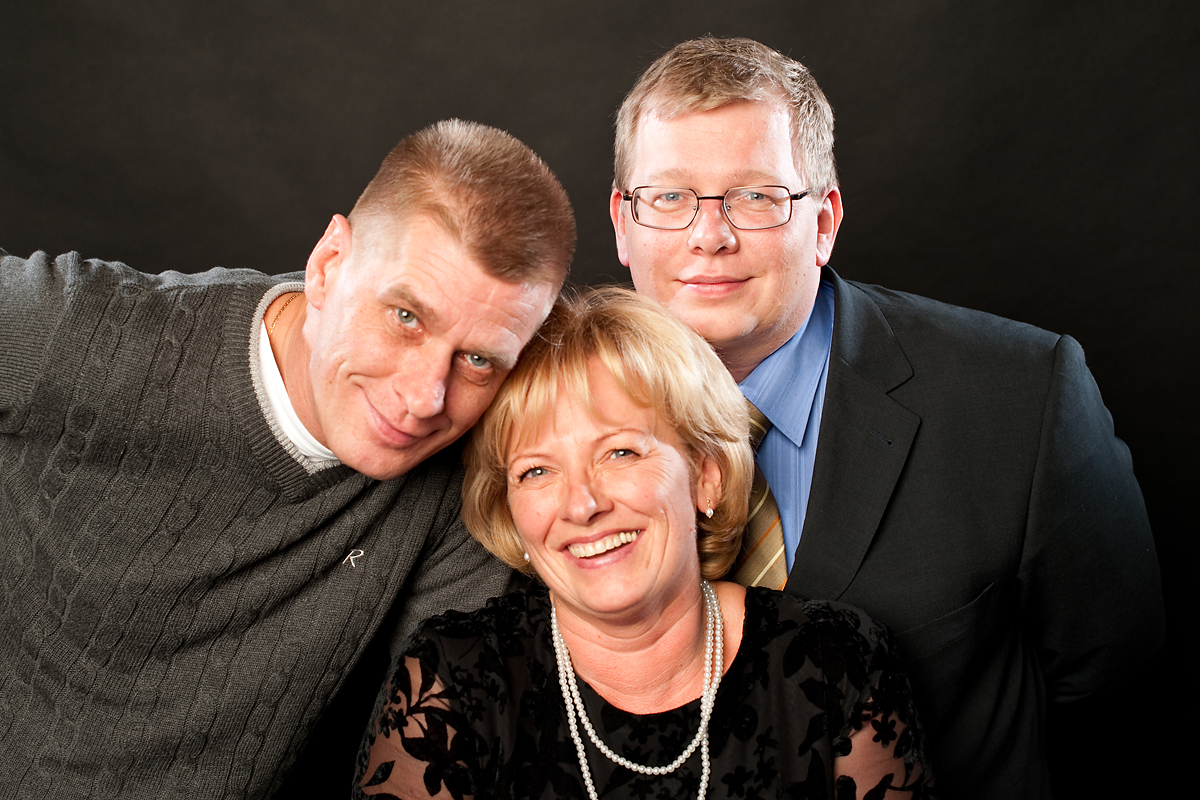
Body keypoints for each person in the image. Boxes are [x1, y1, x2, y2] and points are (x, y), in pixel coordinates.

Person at [607, 37, 1164, 798]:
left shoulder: (1022, 399)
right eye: (670, 198)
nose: (710, 235)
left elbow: (1121, 701)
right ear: (624, 223)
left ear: (824, 220)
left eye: (758, 197)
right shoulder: (547, 411)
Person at [0, 119, 574, 799]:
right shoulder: (81, 332)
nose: (425, 398)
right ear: (328, 266)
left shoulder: (458, 491)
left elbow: (452, 746)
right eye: (405, 318)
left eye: (478, 360)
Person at [354, 287, 933, 799]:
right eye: (537, 471)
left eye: (620, 452)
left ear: (706, 475)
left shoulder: (836, 662)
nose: (582, 504)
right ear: (511, 511)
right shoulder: (446, 681)